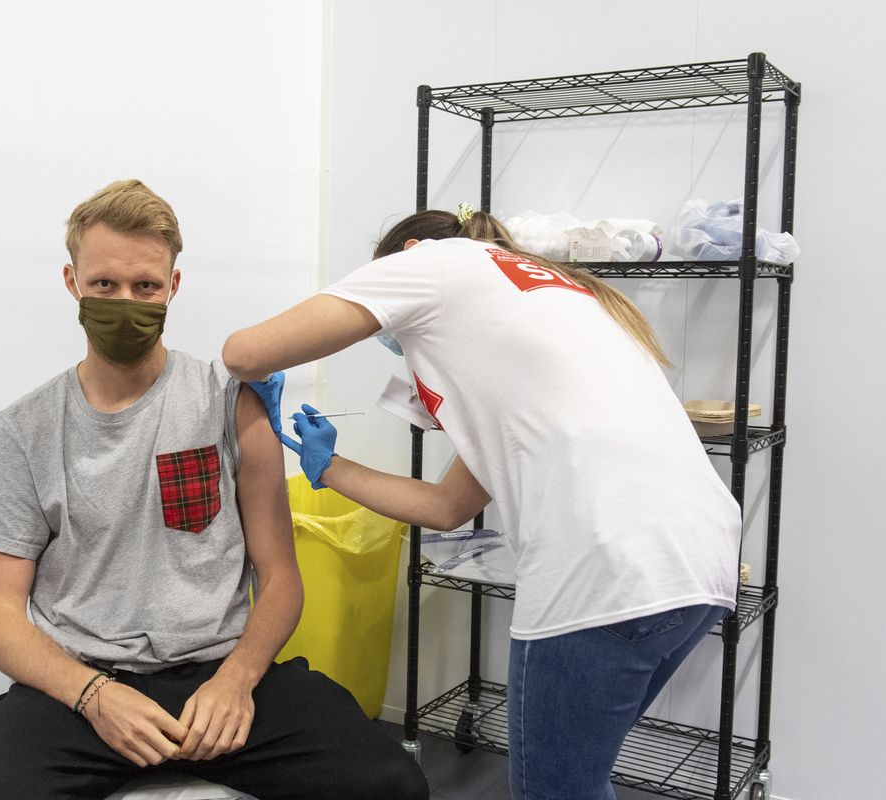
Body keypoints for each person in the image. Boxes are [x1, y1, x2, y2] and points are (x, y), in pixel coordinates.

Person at [223, 204, 742, 800]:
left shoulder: (432, 262)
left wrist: (261, 370)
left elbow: (244, 352)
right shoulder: (549, 298)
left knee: (554, 790)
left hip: (606, 571)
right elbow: (448, 506)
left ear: (408, 251)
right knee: (580, 778)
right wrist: (329, 468)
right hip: (698, 566)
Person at [0, 179, 428, 800]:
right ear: (72, 283)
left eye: (146, 286)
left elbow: (279, 578)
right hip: (81, 684)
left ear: (173, 286)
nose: (125, 301)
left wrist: (239, 678)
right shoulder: (22, 433)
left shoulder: (230, 401)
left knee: (389, 785)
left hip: (219, 669)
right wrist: (93, 695)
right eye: (103, 285)